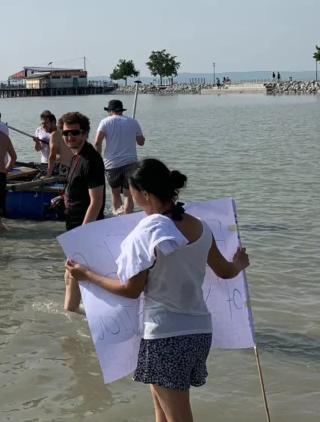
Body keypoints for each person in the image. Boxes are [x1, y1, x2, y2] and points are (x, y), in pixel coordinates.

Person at [65, 159, 250, 421]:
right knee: (161, 412)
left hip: (166, 334)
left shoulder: (148, 232)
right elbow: (225, 271)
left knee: (177, 417)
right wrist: (239, 263)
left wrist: (86, 275)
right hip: (199, 332)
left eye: (132, 193)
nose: (132, 199)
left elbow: (131, 290)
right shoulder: (200, 225)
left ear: (146, 194)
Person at [60, 111, 106, 312]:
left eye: (75, 133)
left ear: (86, 133)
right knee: (70, 274)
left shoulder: (91, 160)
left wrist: (83, 235)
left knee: (73, 274)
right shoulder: (77, 156)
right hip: (74, 227)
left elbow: (96, 201)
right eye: (66, 133)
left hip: (85, 228)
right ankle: (72, 313)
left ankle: (70, 316)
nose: (70, 137)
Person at [94, 99, 145, 215]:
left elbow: (97, 142)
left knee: (115, 192)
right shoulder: (133, 122)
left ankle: (117, 216)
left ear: (110, 111)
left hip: (111, 164)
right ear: (121, 110)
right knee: (128, 194)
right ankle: (128, 217)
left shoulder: (105, 122)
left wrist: (98, 159)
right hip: (130, 163)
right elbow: (141, 142)